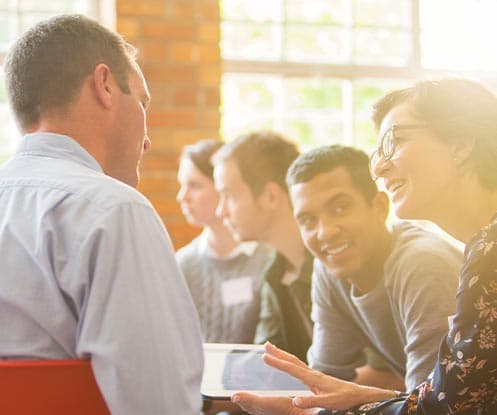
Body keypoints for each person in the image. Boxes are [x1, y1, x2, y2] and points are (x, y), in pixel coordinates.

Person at [0, 14, 204, 414]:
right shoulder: (115, 213)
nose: (147, 139)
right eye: (142, 103)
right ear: (105, 85)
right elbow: (160, 404)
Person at [232, 77, 497, 415]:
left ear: (460, 143)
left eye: (395, 141)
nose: (381, 168)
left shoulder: (485, 252)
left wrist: (354, 401)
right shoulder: (485, 248)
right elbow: (441, 400)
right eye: (378, 151)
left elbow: (442, 408)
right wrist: (351, 398)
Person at [287, 144, 461, 390]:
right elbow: (323, 382)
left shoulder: (422, 264)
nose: (325, 232)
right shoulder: (330, 268)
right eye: (308, 220)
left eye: (340, 208)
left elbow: (430, 403)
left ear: (379, 207)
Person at [212, 131, 313, 362]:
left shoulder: (336, 262)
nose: (221, 211)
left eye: (229, 196)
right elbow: (266, 361)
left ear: (270, 196)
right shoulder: (276, 273)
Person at [176, 139, 275, 344]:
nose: (182, 197)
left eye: (194, 185)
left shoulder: (270, 258)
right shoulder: (182, 263)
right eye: (181, 185)